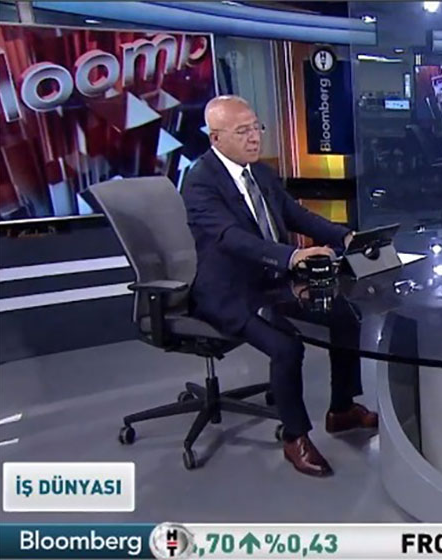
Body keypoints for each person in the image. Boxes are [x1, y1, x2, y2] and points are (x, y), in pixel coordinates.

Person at [181, 95, 377, 477]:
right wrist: (291, 257)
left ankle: (342, 409)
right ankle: (295, 437)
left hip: (273, 280)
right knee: (286, 346)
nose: (254, 137)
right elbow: (231, 238)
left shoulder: (260, 173)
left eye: (256, 127)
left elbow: (296, 214)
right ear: (216, 138)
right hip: (229, 291)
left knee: (344, 315)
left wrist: (345, 237)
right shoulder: (200, 182)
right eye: (243, 131)